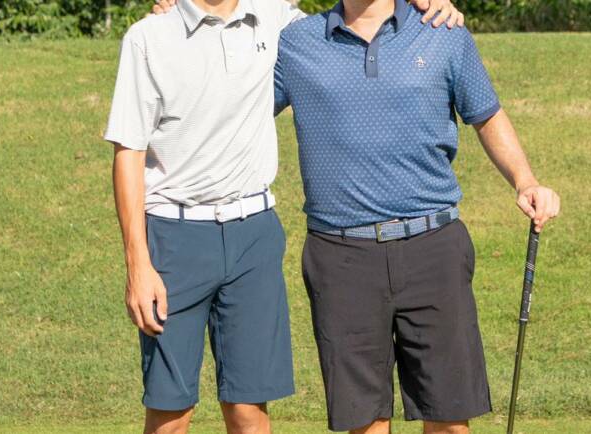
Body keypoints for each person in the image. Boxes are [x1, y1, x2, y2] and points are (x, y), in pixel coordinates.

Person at [105, 0, 465, 433]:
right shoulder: (149, 37)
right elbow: (128, 152)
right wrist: (137, 264)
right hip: (175, 233)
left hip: (253, 234)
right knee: (170, 414)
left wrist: (424, 3)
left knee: (249, 411)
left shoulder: (275, 17)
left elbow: (360, 17)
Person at [272, 0, 560, 432]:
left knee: (448, 416)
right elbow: (233, 107)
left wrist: (525, 180)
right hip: (341, 255)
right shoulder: (295, 43)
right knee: (365, 421)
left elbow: (486, 115)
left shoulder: (442, 32)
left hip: (433, 247)